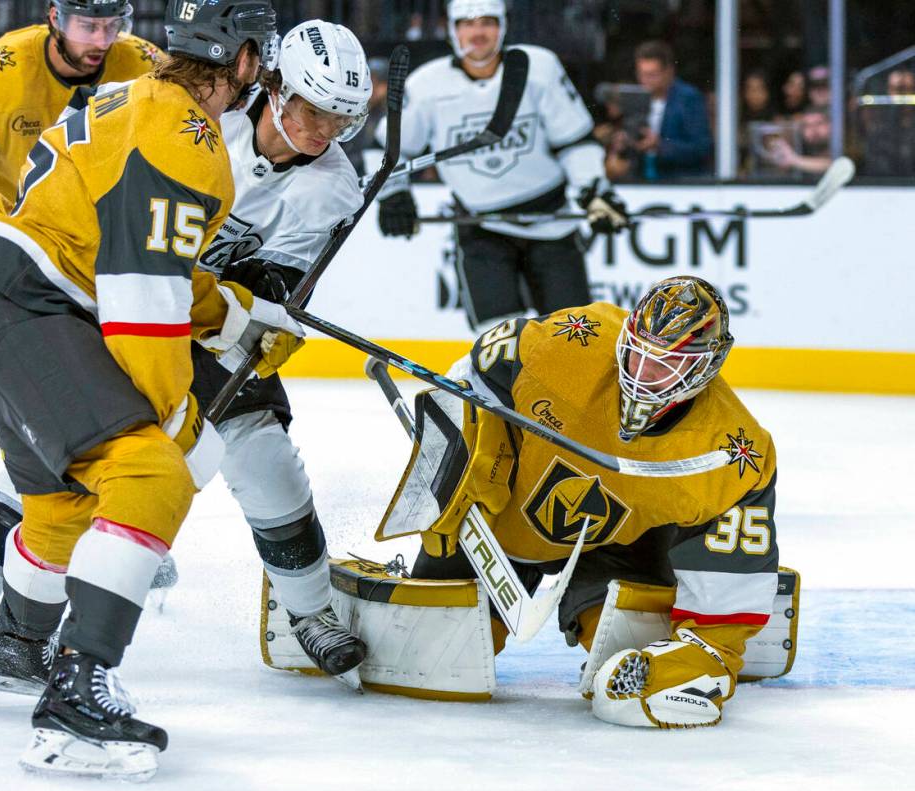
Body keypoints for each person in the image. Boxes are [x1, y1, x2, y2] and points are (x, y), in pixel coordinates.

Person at [0, 0, 292, 781]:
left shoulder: (138, 97)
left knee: (62, 511)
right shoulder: (189, 138)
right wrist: (178, 420)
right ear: (243, 61)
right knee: (151, 470)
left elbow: (136, 261)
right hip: (27, 311)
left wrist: (233, 311)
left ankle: (16, 648)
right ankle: (76, 692)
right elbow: (137, 305)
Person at [382, 276, 779, 729]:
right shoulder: (569, 342)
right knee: (430, 657)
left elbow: (724, 584)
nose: (641, 373)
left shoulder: (730, 452)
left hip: (621, 547)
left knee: (619, 653)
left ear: (705, 367)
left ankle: (611, 600)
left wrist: (712, 645)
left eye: (664, 365)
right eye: (636, 352)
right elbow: (466, 380)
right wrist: (457, 463)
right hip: (502, 516)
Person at [0, 1, 163, 562]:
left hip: (88, 267)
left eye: (114, 25)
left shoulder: (147, 68)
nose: (103, 39)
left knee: (89, 411)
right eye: (89, 25)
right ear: (55, 17)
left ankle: (92, 527)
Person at [192, 18, 371, 678]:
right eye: (314, 111)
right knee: (61, 458)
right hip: (125, 303)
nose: (324, 131)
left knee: (264, 457)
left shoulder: (332, 187)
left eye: (340, 120)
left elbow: (272, 287)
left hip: (210, 321)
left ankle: (310, 611)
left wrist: (269, 325)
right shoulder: (208, 125)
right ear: (275, 87)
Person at [373, 0, 629, 332]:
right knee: (499, 342)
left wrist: (593, 191)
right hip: (481, 230)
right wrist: (393, 195)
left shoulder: (539, 67)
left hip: (551, 223)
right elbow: (390, 150)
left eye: (487, 21)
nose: (477, 32)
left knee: (575, 338)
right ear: (452, 30)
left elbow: (574, 141)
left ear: (503, 26)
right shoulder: (426, 85)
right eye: (467, 23)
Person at [631, 40, 712, 180]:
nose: (646, 81)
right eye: (642, 74)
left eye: (652, 75)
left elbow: (702, 149)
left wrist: (660, 146)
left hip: (678, 182)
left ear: (668, 72)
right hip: (643, 181)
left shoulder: (688, 98)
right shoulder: (635, 99)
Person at [768, 104, 832, 175]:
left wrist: (793, 159)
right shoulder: (799, 147)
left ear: (832, 125)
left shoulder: (839, 146)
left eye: (819, 123)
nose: (813, 130)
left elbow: (832, 165)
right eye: (807, 125)